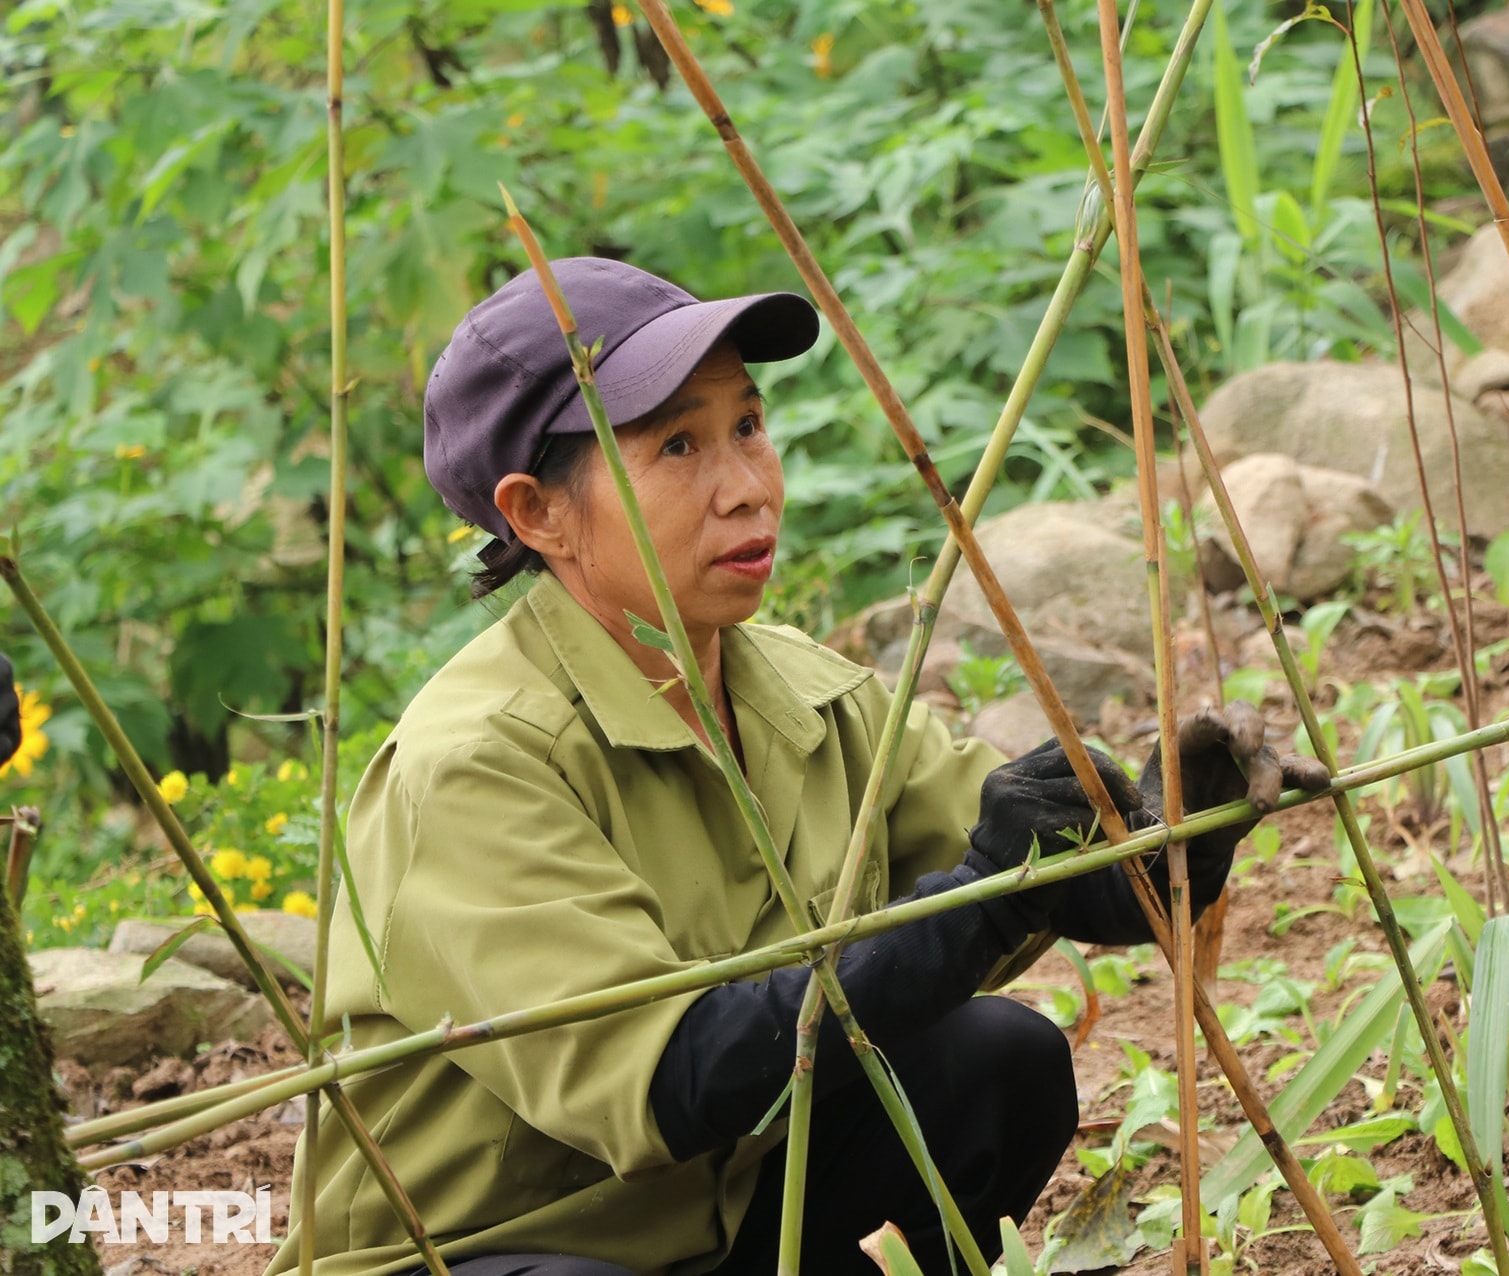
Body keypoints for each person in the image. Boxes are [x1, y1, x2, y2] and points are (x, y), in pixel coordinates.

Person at [270, 258, 1328, 1276]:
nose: (745, 487)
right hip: (501, 1248)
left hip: (714, 1206)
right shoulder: (475, 763)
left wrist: (1167, 822)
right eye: (678, 448)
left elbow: (1028, 865)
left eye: (747, 425)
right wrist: (980, 907)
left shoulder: (798, 690)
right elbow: (674, 1077)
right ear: (536, 513)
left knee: (995, 1067)